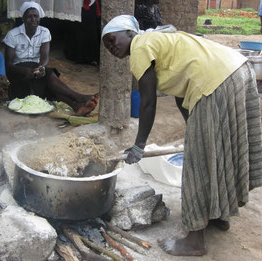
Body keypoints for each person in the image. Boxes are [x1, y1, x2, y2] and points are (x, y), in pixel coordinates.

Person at [102, 15, 262, 256]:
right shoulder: (161, 41)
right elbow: (180, 90)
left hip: (215, 82)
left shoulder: (140, 46)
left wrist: (139, 145)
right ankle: (219, 214)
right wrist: (194, 127)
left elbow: (147, 104)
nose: (112, 47)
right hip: (238, 71)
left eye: (112, 39)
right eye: (107, 46)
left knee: (198, 163)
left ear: (129, 33)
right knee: (218, 151)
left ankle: (194, 242)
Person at [3, 1, 99, 116]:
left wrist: (42, 67)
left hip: (35, 69)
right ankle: (79, 97)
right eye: (29, 17)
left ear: (40, 18)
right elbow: (8, 65)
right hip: (18, 71)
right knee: (49, 77)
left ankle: (77, 106)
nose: (33, 19)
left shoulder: (44, 32)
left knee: (47, 79)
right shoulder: (13, 35)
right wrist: (25, 71)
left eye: (36, 16)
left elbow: (44, 57)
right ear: (23, 18)